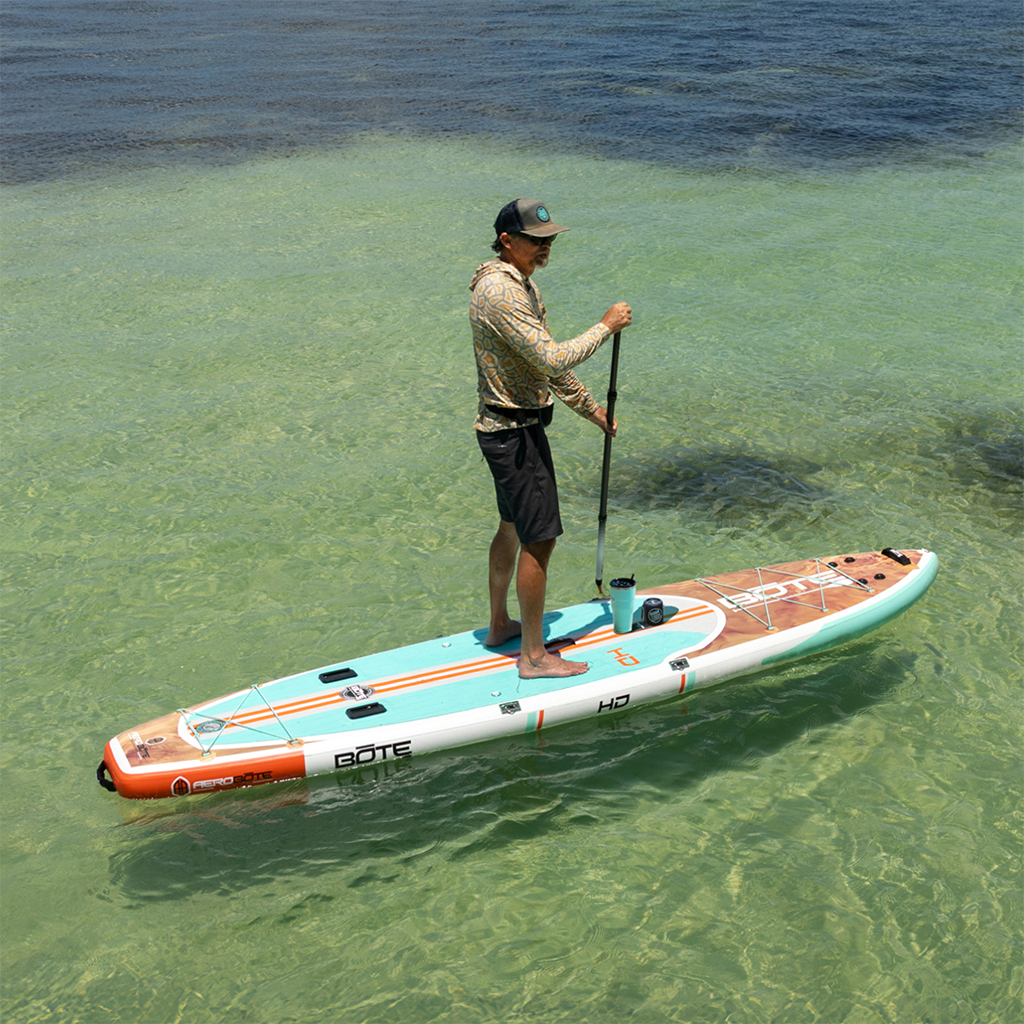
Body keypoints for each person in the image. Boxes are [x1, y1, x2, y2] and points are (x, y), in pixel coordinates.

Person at [469, 197, 632, 679]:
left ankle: (500, 625)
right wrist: (605, 327)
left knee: (512, 529)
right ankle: (534, 658)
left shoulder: (519, 286)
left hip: (506, 427)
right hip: (514, 435)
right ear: (507, 241)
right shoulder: (501, 294)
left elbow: (541, 367)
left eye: (550, 240)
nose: (546, 248)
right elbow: (555, 360)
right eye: (537, 241)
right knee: (539, 541)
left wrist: (592, 411)